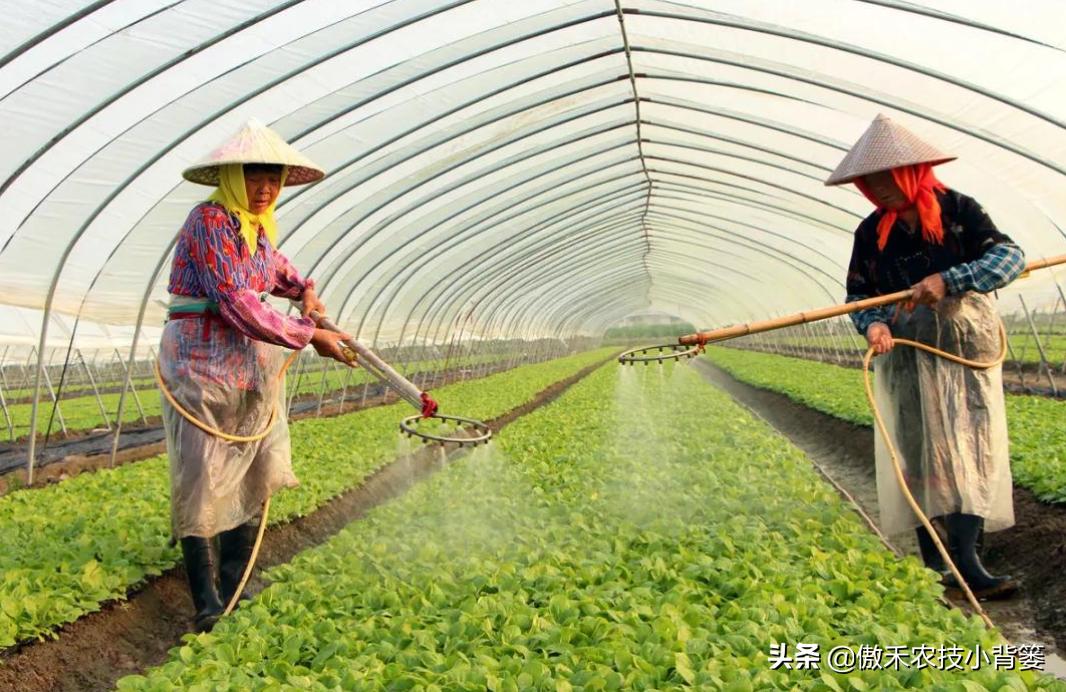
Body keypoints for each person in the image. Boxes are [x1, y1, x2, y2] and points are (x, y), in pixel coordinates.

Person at [161, 119, 354, 631]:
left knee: (251, 463)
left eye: (273, 178)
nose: (265, 188)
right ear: (230, 178)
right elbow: (236, 301)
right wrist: (311, 335)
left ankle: (234, 584)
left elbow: (282, 275)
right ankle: (206, 603)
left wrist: (306, 294)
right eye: (254, 177)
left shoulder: (258, 231)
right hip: (201, 362)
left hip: (246, 362)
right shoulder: (210, 222)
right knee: (202, 471)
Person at [826, 114, 1025, 600]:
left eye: (887, 180)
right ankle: (935, 561)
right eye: (870, 183)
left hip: (964, 352)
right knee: (919, 452)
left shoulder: (959, 211)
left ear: (912, 173)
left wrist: (950, 280)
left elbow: (1009, 257)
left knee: (969, 448)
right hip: (909, 356)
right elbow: (859, 294)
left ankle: (970, 560)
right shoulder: (872, 232)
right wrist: (872, 323)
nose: (880, 190)